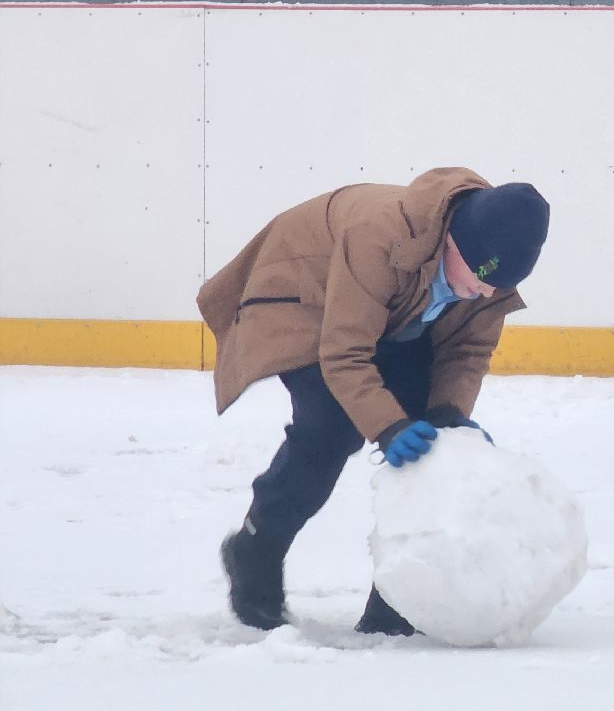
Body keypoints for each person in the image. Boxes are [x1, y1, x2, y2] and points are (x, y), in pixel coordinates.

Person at [198, 167, 550, 635]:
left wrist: (447, 413)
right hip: (307, 300)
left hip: (393, 314)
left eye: (498, 287)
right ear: (455, 242)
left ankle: (397, 595)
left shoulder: (488, 275)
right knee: (330, 425)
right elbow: (344, 354)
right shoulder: (381, 237)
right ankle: (257, 547)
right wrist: (387, 427)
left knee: (430, 440)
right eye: (483, 279)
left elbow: (467, 351)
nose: (487, 293)